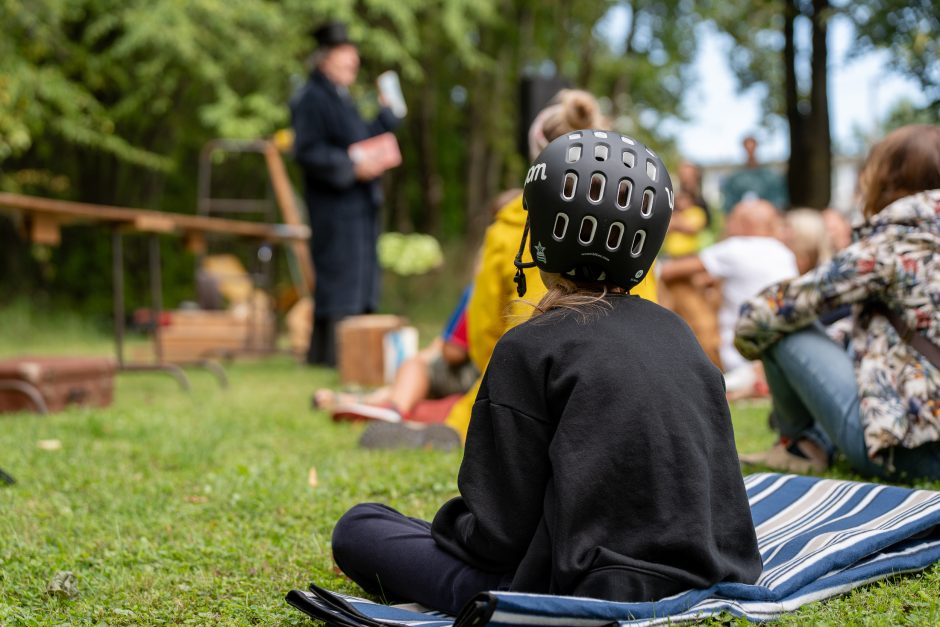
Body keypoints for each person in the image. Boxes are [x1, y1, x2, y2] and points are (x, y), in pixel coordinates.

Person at [329, 131, 762, 615]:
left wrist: (445, 530)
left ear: (542, 232)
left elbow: (498, 535)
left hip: (582, 587)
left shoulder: (528, 346)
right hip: (709, 569)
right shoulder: (679, 334)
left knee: (361, 527)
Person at [735, 124, 940, 480]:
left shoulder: (894, 241)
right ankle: (814, 441)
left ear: (888, 179)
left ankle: (799, 445)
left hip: (909, 452)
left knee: (781, 323)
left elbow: (764, 315)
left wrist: (747, 343)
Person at [290, 21, 402, 366]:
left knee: (358, 282)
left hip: (358, 208)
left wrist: (386, 116)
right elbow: (307, 152)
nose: (353, 62)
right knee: (338, 282)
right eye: (345, 56)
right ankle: (333, 357)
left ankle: (349, 356)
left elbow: (360, 140)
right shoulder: (310, 98)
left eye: (353, 56)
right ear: (325, 59)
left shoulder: (342, 97)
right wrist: (351, 167)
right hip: (334, 208)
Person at [661, 199, 799, 395]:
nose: (726, 224)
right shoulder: (785, 254)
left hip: (735, 355)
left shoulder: (735, 248)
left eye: (731, 218)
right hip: (775, 353)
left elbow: (666, 272)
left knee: (678, 285)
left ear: (744, 224)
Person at [720, 135, 788, 214]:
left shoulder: (771, 176)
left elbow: (779, 201)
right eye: (747, 147)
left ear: (757, 147)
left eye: (752, 147)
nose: (750, 151)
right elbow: (729, 203)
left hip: (765, 215)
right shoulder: (734, 178)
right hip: (742, 216)